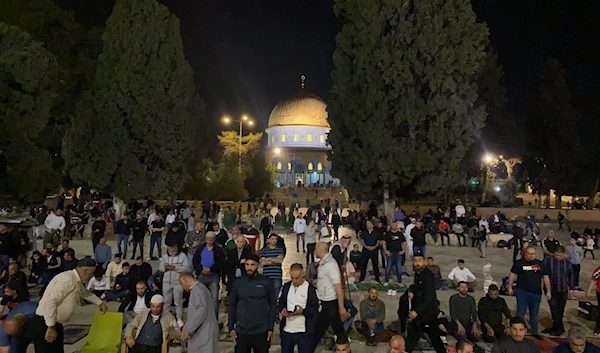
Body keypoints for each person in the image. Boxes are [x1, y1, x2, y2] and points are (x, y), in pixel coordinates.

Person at [22, 257, 108, 353]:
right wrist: (50, 326)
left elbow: (84, 293)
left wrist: (99, 303)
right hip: (45, 322)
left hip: (55, 323)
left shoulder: (76, 280)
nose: (91, 276)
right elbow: (50, 302)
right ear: (85, 270)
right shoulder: (67, 279)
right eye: (91, 273)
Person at [228, 253, 276, 353]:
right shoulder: (238, 283)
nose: (249, 268)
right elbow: (232, 305)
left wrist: (271, 328)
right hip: (242, 331)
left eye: (252, 265)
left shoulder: (266, 282)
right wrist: (231, 328)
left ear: (258, 265)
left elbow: (272, 305)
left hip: (261, 331)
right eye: (247, 264)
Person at [311, 242, 350, 351]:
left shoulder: (330, 264)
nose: (315, 251)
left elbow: (338, 286)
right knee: (338, 329)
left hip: (329, 303)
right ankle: (345, 348)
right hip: (326, 302)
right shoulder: (324, 262)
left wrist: (341, 308)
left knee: (318, 330)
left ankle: (308, 349)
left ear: (320, 249)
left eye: (316, 249)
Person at [405, 251, 446, 353]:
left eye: (419, 260)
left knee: (434, 339)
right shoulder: (418, 274)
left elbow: (429, 297)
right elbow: (418, 288)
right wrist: (412, 290)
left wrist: (417, 311)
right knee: (414, 339)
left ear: (424, 261)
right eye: (415, 261)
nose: (417, 263)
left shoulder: (428, 276)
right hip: (422, 315)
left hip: (427, 314)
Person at [508, 246, 551, 339]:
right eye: (529, 254)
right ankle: (517, 332)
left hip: (536, 293)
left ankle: (534, 333)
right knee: (521, 312)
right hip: (522, 292)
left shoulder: (540, 264)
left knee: (534, 313)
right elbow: (512, 274)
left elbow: (546, 277)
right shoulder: (519, 263)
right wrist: (510, 287)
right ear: (525, 254)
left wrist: (548, 291)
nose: (531, 256)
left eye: (533, 254)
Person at [279, 263, 319, 353]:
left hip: (304, 331)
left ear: (303, 275)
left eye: (297, 278)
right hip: (287, 330)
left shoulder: (310, 289)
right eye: (292, 278)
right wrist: (282, 310)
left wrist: (303, 311)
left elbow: (315, 308)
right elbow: (281, 302)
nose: (294, 281)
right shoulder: (286, 287)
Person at [179, 272, 218, 353]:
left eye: (181, 284)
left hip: (204, 332)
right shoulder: (201, 287)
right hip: (206, 329)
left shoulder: (197, 290)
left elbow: (201, 311)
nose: (182, 287)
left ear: (185, 280)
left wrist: (188, 329)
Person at [192, 231, 224, 319]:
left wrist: (211, 269)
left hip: (213, 276)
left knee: (214, 300)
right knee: (199, 298)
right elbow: (195, 260)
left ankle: (214, 320)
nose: (209, 242)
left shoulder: (218, 250)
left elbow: (220, 262)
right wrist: (201, 269)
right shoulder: (200, 248)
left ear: (214, 240)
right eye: (207, 240)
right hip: (202, 275)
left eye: (211, 240)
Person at [543, 246, 573, 336]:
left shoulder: (568, 263)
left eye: (560, 256)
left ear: (564, 255)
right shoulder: (548, 261)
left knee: (560, 310)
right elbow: (544, 274)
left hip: (563, 289)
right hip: (551, 289)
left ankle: (558, 327)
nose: (558, 257)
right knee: (553, 309)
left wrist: (571, 289)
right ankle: (558, 328)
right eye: (556, 255)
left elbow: (571, 275)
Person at [159, 244, 188, 327]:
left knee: (178, 301)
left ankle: (179, 319)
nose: (171, 253)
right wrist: (166, 268)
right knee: (166, 302)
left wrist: (175, 268)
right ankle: (166, 319)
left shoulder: (182, 256)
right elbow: (160, 268)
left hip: (177, 283)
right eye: (170, 251)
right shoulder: (165, 257)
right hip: (166, 282)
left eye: (173, 251)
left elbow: (186, 268)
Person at [260, 233, 285, 300]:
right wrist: (275, 259)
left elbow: (280, 260)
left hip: (277, 276)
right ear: (269, 240)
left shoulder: (280, 249)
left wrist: (268, 258)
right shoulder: (264, 250)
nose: (274, 241)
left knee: (276, 295)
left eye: (275, 239)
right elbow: (263, 262)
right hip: (267, 276)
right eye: (272, 239)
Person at [383, 221, 406, 285]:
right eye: (393, 225)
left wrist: (403, 250)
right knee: (388, 268)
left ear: (397, 226)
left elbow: (404, 242)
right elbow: (384, 242)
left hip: (398, 253)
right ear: (391, 226)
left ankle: (399, 282)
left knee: (398, 268)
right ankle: (386, 282)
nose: (394, 226)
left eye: (395, 225)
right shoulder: (387, 234)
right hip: (390, 253)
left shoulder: (400, 234)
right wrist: (385, 251)